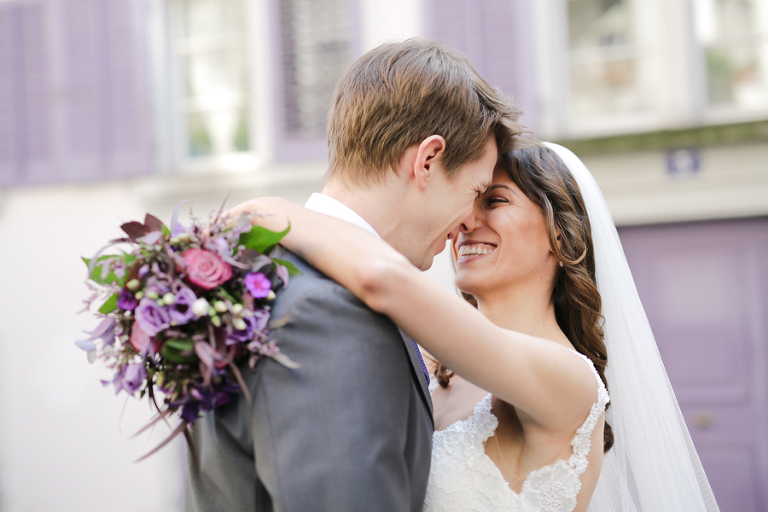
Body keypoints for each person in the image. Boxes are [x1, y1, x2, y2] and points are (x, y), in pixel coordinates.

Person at [233, 140, 720, 512]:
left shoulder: (571, 383)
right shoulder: (426, 365)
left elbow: (384, 279)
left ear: (560, 233)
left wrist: (269, 213)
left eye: (496, 201)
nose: (465, 221)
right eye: (470, 201)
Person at [182, 38, 524, 512]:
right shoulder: (329, 315)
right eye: (476, 190)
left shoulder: (269, 277)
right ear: (427, 160)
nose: (469, 220)